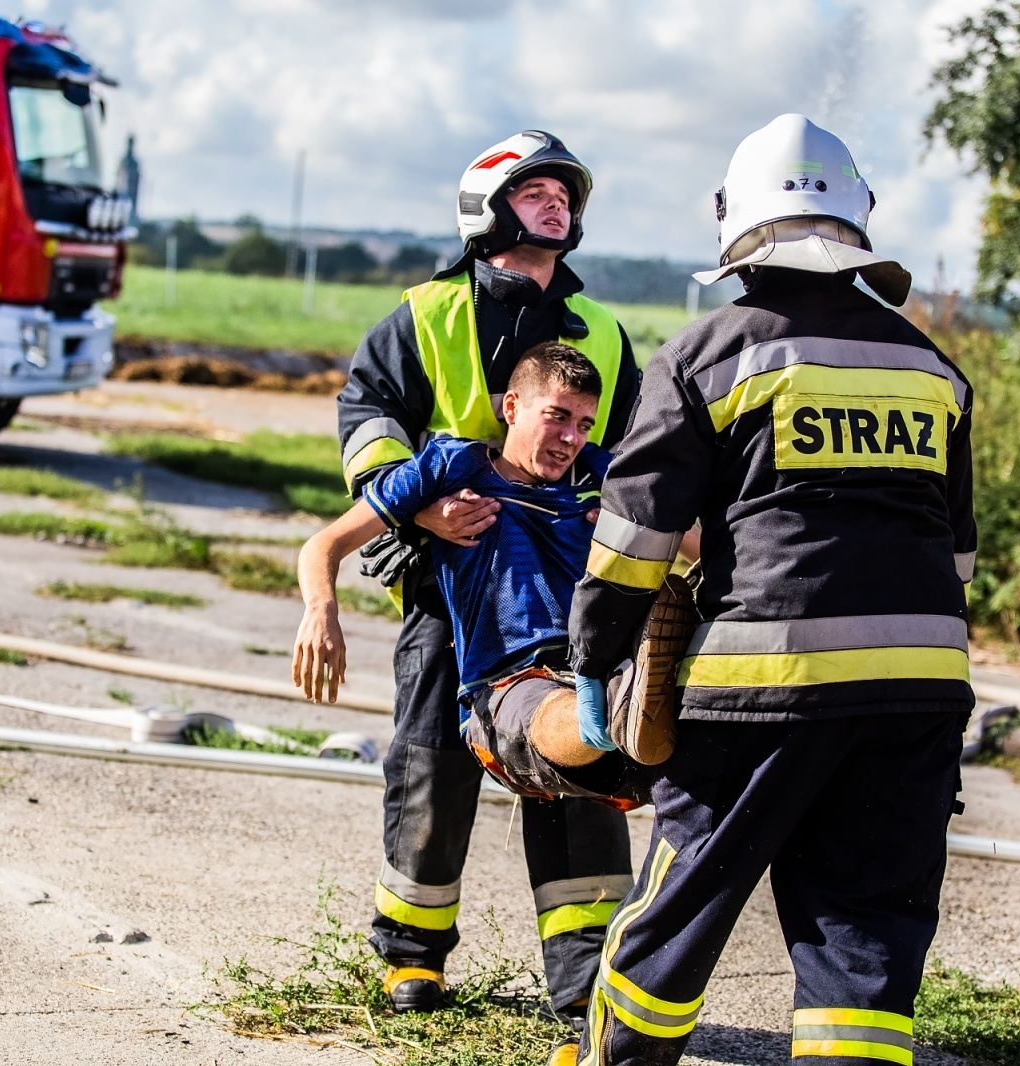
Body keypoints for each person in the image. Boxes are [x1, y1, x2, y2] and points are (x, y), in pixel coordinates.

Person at [567, 114, 978, 1066]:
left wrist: (594, 657)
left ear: (738, 233)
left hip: (762, 687)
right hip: (917, 693)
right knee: (865, 929)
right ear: (857, 226)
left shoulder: (709, 355)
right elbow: (954, 560)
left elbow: (634, 541)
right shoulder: (932, 369)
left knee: (683, 902)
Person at [335, 131, 644, 1027]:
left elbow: (627, 456)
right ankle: (412, 957)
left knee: (580, 763)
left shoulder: (604, 335)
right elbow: (369, 416)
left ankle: (584, 979)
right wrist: (417, 511)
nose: (557, 204)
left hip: (568, 595)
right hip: (448, 587)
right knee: (432, 767)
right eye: (537, 190)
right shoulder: (425, 314)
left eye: (565, 194)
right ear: (489, 205)